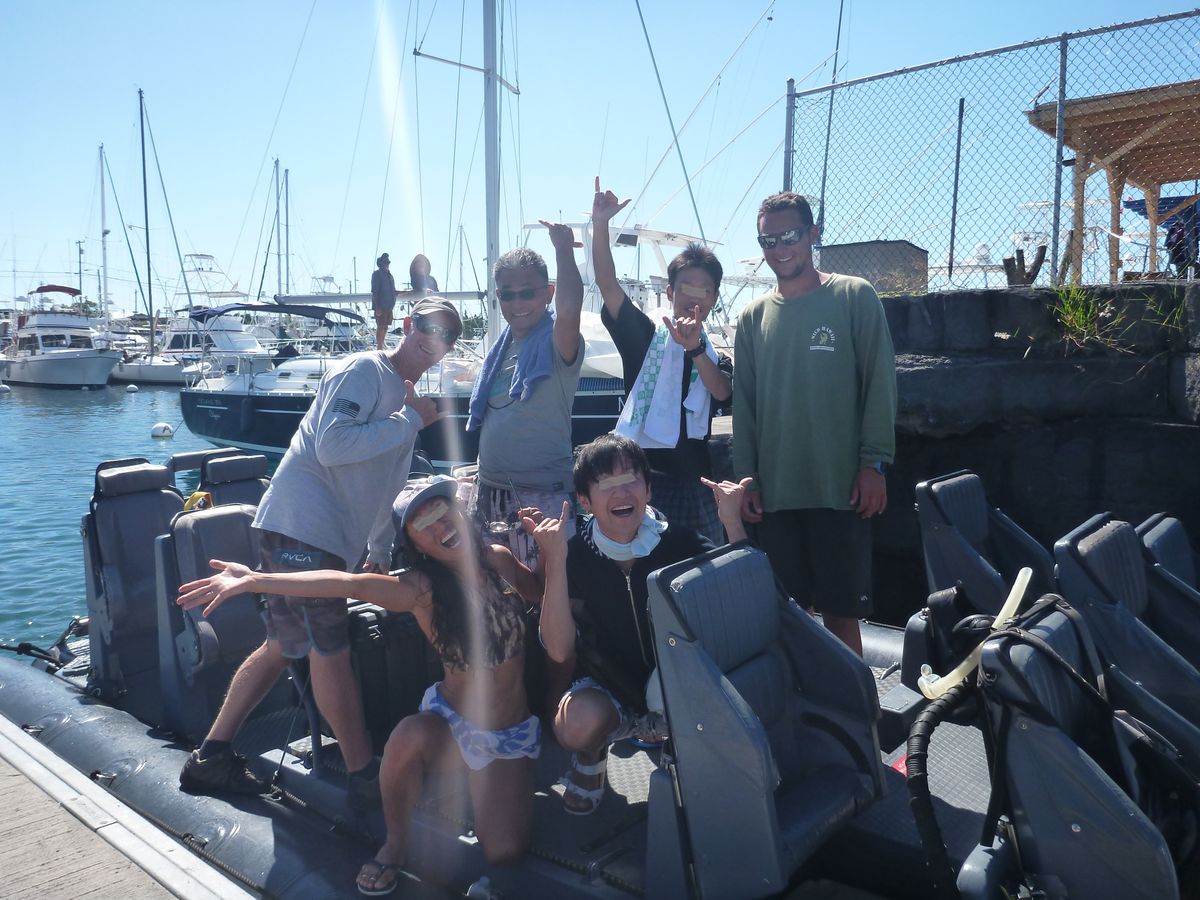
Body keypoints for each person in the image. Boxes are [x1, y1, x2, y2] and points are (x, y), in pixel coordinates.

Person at [178, 475, 553, 897]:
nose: (440, 525)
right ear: (415, 546)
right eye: (423, 523)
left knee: (504, 849)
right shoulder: (420, 589)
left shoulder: (498, 559)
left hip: (507, 733)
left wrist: (548, 551)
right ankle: (395, 843)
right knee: (406, 735)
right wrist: (256, 580)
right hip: (451, 724)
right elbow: (348, 584)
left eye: (441, 509)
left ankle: (476, 779)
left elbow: (539, 591)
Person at [177, 297, 463, 804]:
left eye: (445, 333)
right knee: (330, 649)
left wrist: (379, 547)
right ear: (407, 324)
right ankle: (363, 776)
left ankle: (211, 756)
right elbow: (332, 446)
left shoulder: (406, 398)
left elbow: (386, 482)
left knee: (280, 646)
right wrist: (409, 422)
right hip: (301, 527)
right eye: (426, 325)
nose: (432, 338)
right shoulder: (366, 370)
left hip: (320, 537)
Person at [533, 433, 749, 815]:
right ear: (585, 500)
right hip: (611, 687)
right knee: (573, 726)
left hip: (677, 686)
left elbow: (742, 597)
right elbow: (559, 649)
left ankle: (681, 750)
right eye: (606, 483)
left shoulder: (682, 542)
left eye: (631, 479)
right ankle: (592, 754)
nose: (621, 492)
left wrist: (733, 523)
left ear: (648, 490)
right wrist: (555, 561)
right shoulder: (576, 554)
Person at [734, 191, 896, 656]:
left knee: (842, 616)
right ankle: (800, 702)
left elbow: (880, 384)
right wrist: (747, 479)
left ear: (813, 234)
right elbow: (744, 405)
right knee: (787, 616)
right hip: (776, 496)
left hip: (840, 491)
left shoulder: (854, 295)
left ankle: (853, 702)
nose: (779, 248)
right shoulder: (751, 317)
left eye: (789, 235)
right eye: (768, 240)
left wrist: (873, 464)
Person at [591, 177, 734, 544]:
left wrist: (695, 349)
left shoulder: (713, 352)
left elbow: (722, 392)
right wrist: (601, 224)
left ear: (714, 298)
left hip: (697, 483)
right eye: (686, 288)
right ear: (670, 291)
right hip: (644, 482)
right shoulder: (643, 335)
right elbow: (608, 285)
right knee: (646, 568)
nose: (694, 298)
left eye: (704, 290)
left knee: (704, 568)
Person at [465, 222, 585, 570]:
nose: (517, 303)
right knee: (493, 591)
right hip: (488, 491)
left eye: (527, 292)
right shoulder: (501, 347)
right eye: (508, 294)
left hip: (542, 496)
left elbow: (569, 311)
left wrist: (563, 249)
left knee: (544, 592)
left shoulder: (556, 342)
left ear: (548, 293)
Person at [372, 253, 399, 350]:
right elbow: (374, 292)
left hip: (389, 306)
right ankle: (379, 347)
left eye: (388, 262)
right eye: (385, 262)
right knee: (381, 326)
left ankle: (382, 345)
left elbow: (394, 291)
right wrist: (377, 307)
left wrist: (408, 292)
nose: (387, 264)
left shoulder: (390, 276)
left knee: (386, 326)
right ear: (381, 263)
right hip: (381, 305)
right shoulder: (377, 274)